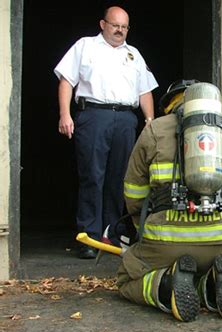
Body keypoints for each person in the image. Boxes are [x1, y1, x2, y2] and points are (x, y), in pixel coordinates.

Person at [116, 80, 222, 322]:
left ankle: (165, 286)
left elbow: (133, 194)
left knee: (126, 278)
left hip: (164, 243)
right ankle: (209, 285)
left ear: (171, 105)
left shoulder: (154, 130)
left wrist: (143, 230)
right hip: (219, 243)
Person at [54, 6, 158, 259]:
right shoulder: (85, 46)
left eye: (124, 27)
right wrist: (65, 114)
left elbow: (145, 91)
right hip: (93, 115)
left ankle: (110, 235)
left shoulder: (134, 54)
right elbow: (66, 79)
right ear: (103, 24)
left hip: (124, 119)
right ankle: (88, 237)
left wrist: (150, 121)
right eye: (115, 25)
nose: (119, 30)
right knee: (92, 175)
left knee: (119, 179)